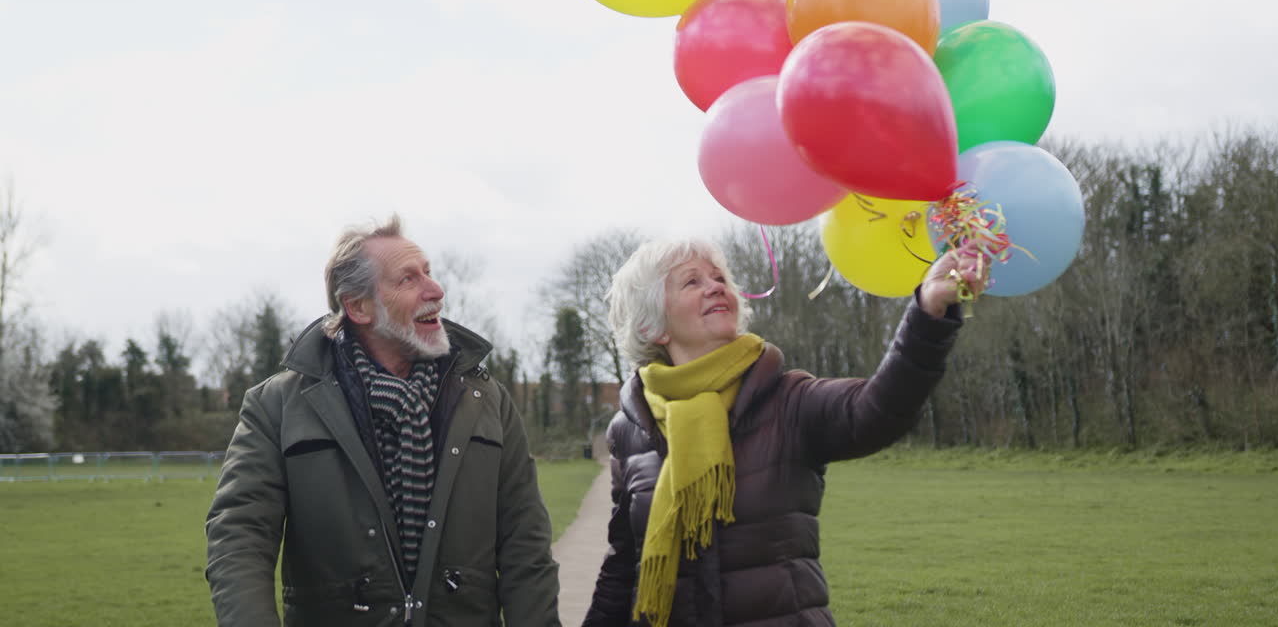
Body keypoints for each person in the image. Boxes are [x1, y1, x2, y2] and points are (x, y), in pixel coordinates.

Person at [582, 237, 988, 627]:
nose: (715, 287)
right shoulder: (630, 427)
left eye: (720, 278)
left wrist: (928, 313)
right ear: (654, 327)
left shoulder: (789, 399)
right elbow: (623, 564)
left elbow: (878, 410)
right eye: (693, 281)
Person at [206, 215, 560, 627]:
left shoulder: (487, 402)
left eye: (428, 272)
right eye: (408, 279)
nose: (436, 290)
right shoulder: (277, 406)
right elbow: (238, 538)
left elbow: (526, 544)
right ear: (358, 306)